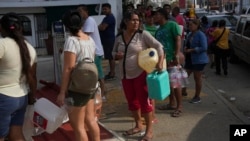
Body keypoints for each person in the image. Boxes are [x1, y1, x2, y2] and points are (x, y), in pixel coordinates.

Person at [112, 11, 164, 141]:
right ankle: (138, 125)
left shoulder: (143, 35)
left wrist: (160, 62)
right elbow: (112, 52)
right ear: (126, 21)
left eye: (138, 20)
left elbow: (159, 46)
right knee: (132, 102)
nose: (136, 22)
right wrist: (116, 55)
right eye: (133, 20)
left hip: (141, 74)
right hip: (125, 75)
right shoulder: (119, 37)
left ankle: (149, 131)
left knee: (144, 103)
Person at [56, 10, 100, 141]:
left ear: (67, 26)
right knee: (90, 119)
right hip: (91, 85)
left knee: (78, 125)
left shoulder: (71, 41)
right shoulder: (90, 39)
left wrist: (62, 92)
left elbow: (68, 68)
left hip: (77, 87)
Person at [0, 12, 37, 141]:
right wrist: (32, 96)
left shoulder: (2, 44)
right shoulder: (30, 48)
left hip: (3, 97)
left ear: (2, 27)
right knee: (16, 134)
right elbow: (32, 76)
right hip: (21, 97)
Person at [154, 8, 183, 117]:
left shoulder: (172, 25)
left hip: (172, 59)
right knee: (168, 84)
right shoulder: (158, 29)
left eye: (156, 15)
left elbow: (178, 39)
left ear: (162, 15)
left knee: (175, 83)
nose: (154, 17)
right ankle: (171, 103)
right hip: (163, 60)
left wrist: (176, 54)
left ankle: (179, 106)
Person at [77, 5, 106, 101]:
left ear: (86, 11)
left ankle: (103, 94)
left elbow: (84, 36)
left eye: (81, 11)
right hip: (93, 52)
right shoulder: (86, 22)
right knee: (95, 74)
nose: (80, 13)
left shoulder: (89, 21)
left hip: (95, 52)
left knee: (99, 74)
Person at [182, 19, 209, 103]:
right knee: (184, 75)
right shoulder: (190, 34)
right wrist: (186, 49)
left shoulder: (201, 35)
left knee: (197, 78)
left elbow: (204, 47)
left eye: (191, 25)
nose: (189, 27)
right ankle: (183, 91)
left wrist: (193, 50)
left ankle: (197, 96)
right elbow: (187, 44)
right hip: (190, 59)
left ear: (197, 26)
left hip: (199, 59)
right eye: (189, 25)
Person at [99, 3, 116, 81]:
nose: (104, 10)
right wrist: (100, 26)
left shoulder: (110, 18)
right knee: (109, 57)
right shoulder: (106, 18)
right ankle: (111, 72)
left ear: (110, 9)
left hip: (109, 40)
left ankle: (112, 73)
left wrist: (100, 26)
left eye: (105, 9)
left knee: (111, 57)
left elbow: (102, 28)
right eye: (103, 9)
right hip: (106, 40)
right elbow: (100, 26)